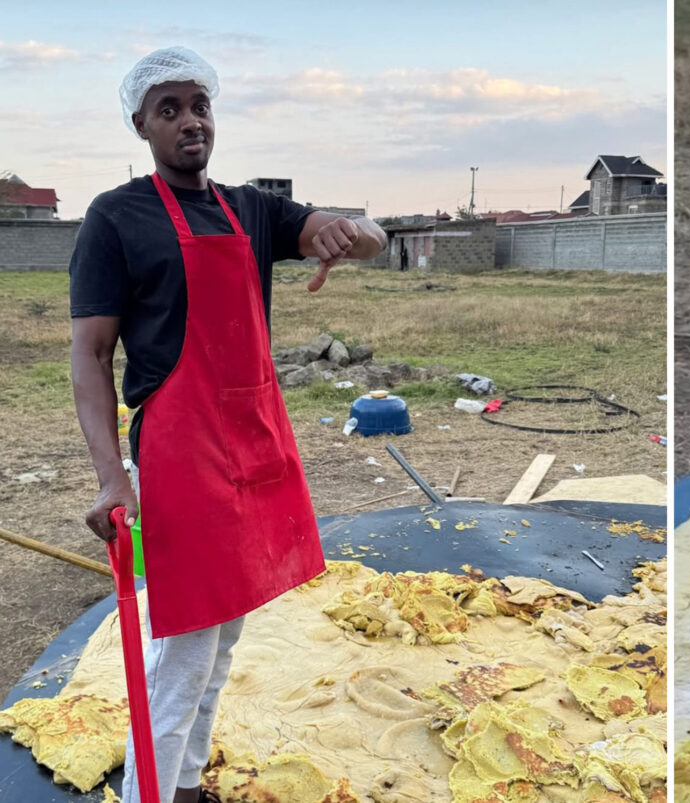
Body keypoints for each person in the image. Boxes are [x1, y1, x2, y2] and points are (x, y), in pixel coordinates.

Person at [68, 47, 386, 803]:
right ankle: (153, 792)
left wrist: (349, 231)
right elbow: (89, 353)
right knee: (188, 643)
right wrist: (113, 476)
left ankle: (181, 782)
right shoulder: (117, 217)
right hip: (181, 450)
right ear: (141, 126)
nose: (188, 121)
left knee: (228, 631)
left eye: (198, 105)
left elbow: (368, 234)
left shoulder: (251, 209)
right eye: (168, 109)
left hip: (255, 437)